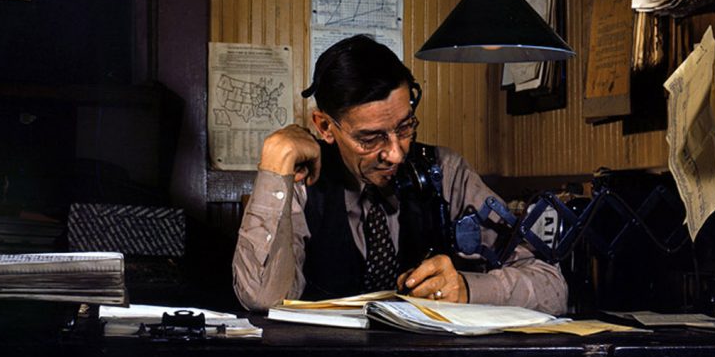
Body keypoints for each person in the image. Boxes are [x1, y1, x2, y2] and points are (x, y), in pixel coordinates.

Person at [232, 34, 568, 315]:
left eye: (405, 127)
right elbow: (262, 299)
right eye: (370, 138)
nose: (396, 152)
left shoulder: (445, 172)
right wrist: (276, 165)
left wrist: (469, 288)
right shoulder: (301, 183)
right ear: (325, 126)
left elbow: (552, 289)